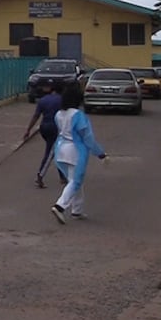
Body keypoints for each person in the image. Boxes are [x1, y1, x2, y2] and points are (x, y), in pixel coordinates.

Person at [50, 84, 107, 224]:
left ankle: (77, 210)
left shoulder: (59, 114)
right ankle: (60, 206)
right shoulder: (78, 115)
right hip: (74, 151)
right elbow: (88, 138)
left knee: (74, 180)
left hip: (60, 149)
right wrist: (100, 153)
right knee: (75, 181)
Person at [23, 80, 68, 189]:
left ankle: (62, 176)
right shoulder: (62, 100)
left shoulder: (42, 100)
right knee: (51, 152)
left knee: (56, 150)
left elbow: (36, 116)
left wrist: (28, 130)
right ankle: (40, 175)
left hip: (44, 127)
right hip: (55, 128)